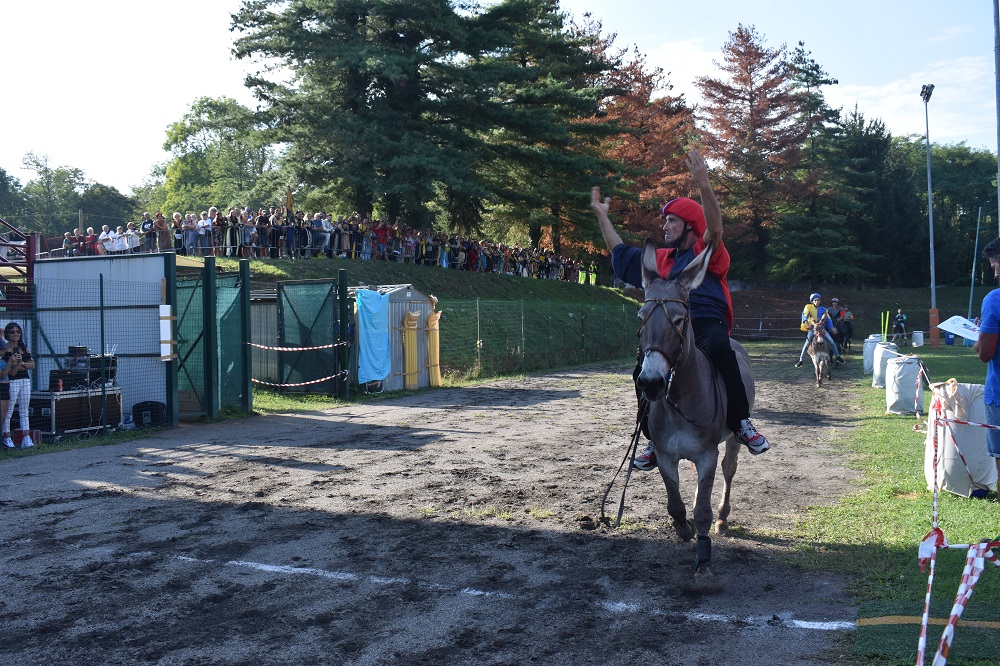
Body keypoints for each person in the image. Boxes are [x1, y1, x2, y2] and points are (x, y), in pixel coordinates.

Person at [590, 148, 771, 469]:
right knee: (641, 368)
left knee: (720, 349)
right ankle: (652, 438)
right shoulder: (660, 259)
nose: (665, 226)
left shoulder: (708, 253)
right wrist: (603, 217)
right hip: (668, 326)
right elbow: (619, 253)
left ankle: (741, 422)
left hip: (705, 322)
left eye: (672, 221)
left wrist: (704, 185)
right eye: (666, 221)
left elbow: (715, 229)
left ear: (689, 225)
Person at [973, 238, 1000, 486]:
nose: (994, 272)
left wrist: (976, 341)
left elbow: (985, 354)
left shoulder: (994, 299)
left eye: (994, 267)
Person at [2, 323, 34, 449]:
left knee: (24, 409)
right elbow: (10, 369)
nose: (16, 334)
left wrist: (23, 364)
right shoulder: (6, 349)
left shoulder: (23, 347)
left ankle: (26, 437)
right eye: (13, 332)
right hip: (13, 381)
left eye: (18, 332)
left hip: (25, 380)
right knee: (9, 409)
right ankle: (7, 437)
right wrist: (20, 365)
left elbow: (32, 364)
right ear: (8, 335)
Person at [795, 293, 844, 368]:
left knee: (831, 341)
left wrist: (831, 328)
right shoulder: (808, 307)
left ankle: (837, 356)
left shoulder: (824, 309)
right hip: (812, 328)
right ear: (812, 301)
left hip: (821, 328)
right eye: (815, 300)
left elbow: (828, 319)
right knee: (807, 343)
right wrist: (807, 323)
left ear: (820, 301)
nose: (816, 301)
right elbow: (804, 315)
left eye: (818, 300)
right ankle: (801, 360)